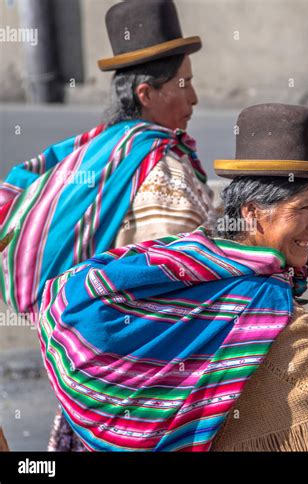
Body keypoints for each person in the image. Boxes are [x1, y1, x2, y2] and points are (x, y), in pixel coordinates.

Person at [35, 103, 308, 451]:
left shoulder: (193, 255)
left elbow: (71, 293)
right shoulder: (268, 311)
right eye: (304, 209)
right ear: (253, 213)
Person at [0, 0, 215, 451]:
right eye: (184, 84)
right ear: (146, 95)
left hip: (88, 364)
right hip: (144, 375)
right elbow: (180, 273)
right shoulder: (159, 168)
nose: (194, 97)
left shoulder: (94, 150)